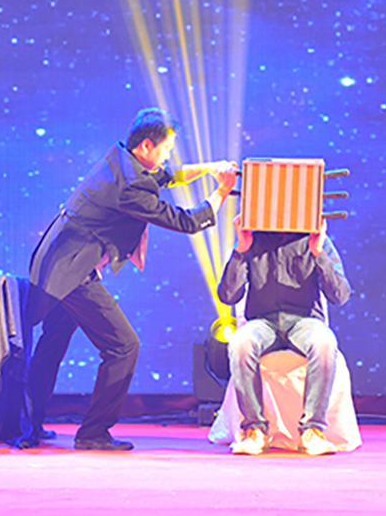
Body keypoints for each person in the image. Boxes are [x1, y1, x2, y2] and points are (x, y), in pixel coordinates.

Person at [27, 108, 237, 451]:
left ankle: (27, 422)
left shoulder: (121, 157)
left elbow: (166, 176)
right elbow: (187, 221)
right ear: (146, 146)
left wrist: (209, 168)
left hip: (59, 263)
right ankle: (93, 433)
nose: (168, 155)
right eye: (166, 148)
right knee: (123, 346)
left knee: (53, 344)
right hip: (72, 272)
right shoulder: (132, 187)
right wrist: (221, 193)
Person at [217, 214, 351, 455]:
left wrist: (318, 253)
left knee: (324, 341)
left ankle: (313, 431)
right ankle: (254, 430)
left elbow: (340, 295)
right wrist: (241, 250)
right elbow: (228, 296)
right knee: (240, 342)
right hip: (263, 322)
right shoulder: (254, 239)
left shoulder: (314, 239)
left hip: (304, 321)